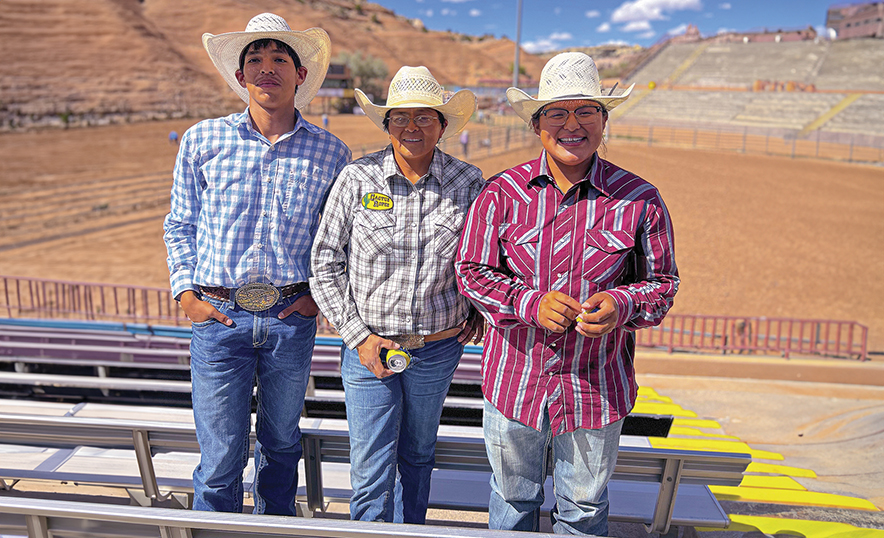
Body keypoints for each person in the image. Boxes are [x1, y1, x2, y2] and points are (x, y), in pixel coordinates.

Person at [454, 52, 679, 535]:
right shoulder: (501, 193)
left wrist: (621, 305)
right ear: (537, 124)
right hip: (515, 384)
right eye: (557, 112)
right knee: (512, 500)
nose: (571, 124)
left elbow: (663, 286)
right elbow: (470, 271)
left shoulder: (641, 199)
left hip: (595, 388)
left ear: (604, 120)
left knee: (583, 507)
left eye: (586, 112)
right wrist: (528, 303)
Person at [162, 13, 350, 515]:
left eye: (279, 59)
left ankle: (275, 527)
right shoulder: (202, 140)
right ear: (241, 76)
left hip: (291, 316)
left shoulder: (331, 152)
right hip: (219, 316)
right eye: (256, 60)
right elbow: (180, 224)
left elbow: (339, 239)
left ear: (300, 74)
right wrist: (187, 296)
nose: (268, 69)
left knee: (282, 443)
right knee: (221, 453)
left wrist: (314, 299)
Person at [309, 66, 485, 524]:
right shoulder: (356, 179)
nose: (412, 127)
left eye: (425, 117)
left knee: (419, 454)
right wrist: (358, 337)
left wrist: (480, 311)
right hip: (369, 348)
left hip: (438, 347)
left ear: (443, 126)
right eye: (400, 117)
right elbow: (325, 262)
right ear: (386, 125)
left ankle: (412, 530)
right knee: (370, 466)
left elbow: (488, 260)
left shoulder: (470, 184)